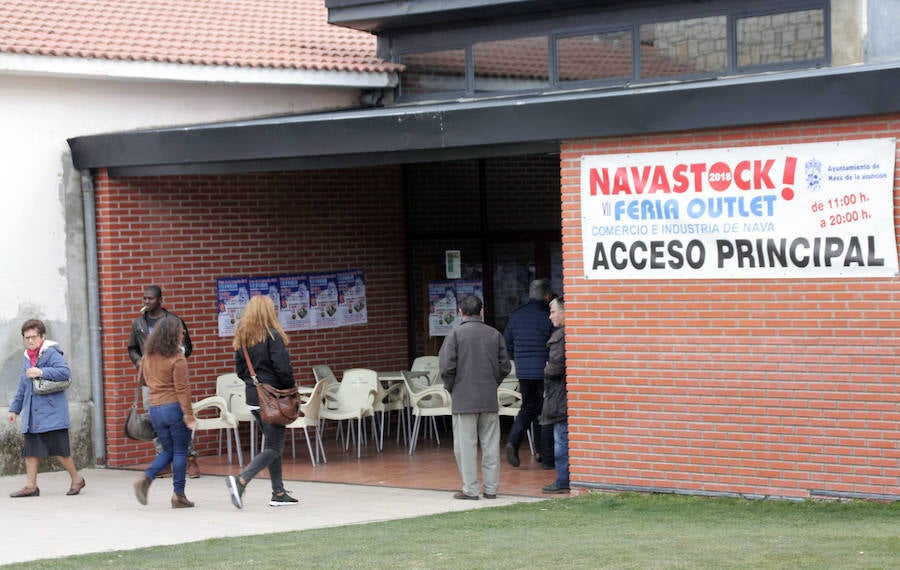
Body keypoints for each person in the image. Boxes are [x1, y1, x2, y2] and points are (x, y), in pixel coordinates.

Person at [226, 295, 299, 509]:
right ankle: (241, 480)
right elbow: (283, 369)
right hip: (273, 397)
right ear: (269, 312)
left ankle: (278, 492)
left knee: (271, 443)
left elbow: (239, 370)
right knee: (274, 446)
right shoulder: (272, 336)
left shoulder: (244, 338)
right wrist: (288, 389)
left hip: (253, 396)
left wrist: (253, 382)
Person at [439, 295, 511, 500]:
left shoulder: (454, 334)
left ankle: (471, 489)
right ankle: (491, 489)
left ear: (460, 312)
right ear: (481, 311)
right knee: (490, 445)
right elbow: (505, 366)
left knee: (465, 446)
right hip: (488, 397)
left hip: (463, 399)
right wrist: (492, 381)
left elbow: (446, 367)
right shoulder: (494, 334)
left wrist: (452, 387)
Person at [127, 285, 200, 478]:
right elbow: (132, 347)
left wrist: (174, 356)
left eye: (150, 299)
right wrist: (138, 361)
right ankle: (164, 458)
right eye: (144, 299)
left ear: (160, 300)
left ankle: (191, 459)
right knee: (155, 420)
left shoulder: (173, 321)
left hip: (170, 378)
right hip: (150, 379)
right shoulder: (139, 324)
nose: (146, 302)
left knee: (180, 417)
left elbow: (188, 347)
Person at [8, 319, 86, 497]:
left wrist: (41, 372)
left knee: (60, 452)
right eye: (26, 337)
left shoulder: (51, 353)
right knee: (31, 451)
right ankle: (31, 486)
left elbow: (65, 372)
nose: (30, 341)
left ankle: (76, 479)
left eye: (33, 337)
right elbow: (23, 386)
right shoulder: (28, 357)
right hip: (32, 414)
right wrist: (14, 409)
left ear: (43, 336)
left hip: (52, 413)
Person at [132, 317, 197, 508]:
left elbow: (142, 381)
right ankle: (178, 495)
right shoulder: (177, 358)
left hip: (155, 408)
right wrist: (189, 415)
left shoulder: (148, 356)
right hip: (174, 407)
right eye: (180, 331)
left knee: (168, 450)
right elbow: (182, 389)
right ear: (172, 335)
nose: (183, 334)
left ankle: (146, 478)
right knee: (180, 451)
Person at [503, 278, 555, 470]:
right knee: (546, 412)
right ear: (548, 296)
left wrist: (519, 359)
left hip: (523, 372)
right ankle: (545, 455)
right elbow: (556, 343)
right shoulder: (548, 315)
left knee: (528, 407)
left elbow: (506, 342)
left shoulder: (516, 315)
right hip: (544, 371)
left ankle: (513, 442)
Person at [541, 296, 569, 494]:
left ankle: (563, 479)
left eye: (553, 312)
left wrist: (547, 369)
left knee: (561, 441)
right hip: (562, 396)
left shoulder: (560, 337)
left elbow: (555, 368)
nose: (550, 317)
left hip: (559, 398)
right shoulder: (563, 335)